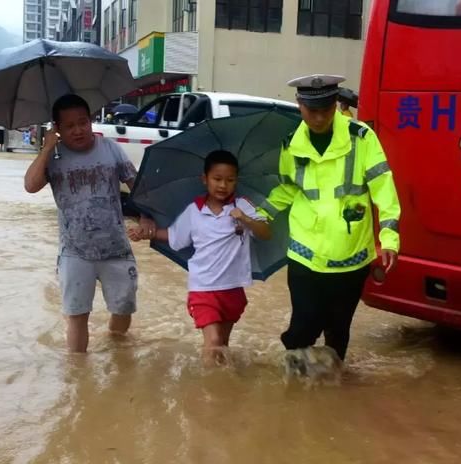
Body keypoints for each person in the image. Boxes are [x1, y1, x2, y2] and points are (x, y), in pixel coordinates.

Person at [258, 74, 401, 364]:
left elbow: (383, 189)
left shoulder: (361, 138)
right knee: (302, 327)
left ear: (337, 104)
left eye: (327, 109)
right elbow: (288, 188)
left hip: (351, 255)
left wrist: (389, 238)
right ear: (299, 105)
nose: (320, 117)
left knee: (338, 330)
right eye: (313, 110)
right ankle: (296, 385)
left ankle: (332, 389)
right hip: (305, 255)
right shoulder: (291, 145)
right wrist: (259, 215)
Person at [24, 94, 153, 353]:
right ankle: (78, 376)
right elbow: (30, 186)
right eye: (69, 126)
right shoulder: (54, 156)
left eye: (83, 122)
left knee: (123, 308)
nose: (78, 130)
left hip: (116, 248)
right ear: (57, 128)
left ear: (91, 121)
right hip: (75, 252)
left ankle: (117, 352)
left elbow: (136, 185)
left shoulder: (110, 148)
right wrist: (47, 148)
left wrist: (146, 216)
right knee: (77, 315)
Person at [128, 150, 272, 365]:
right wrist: (146, 233)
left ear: (236, 181)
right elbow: (175, 237)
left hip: (233, 289)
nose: (223, 185)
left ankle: (220, 388)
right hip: (203, 288)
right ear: (205, 180)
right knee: (213, 342)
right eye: (217, 179)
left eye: (230, 180)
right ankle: (208, 393)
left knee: (222, 345)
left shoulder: (242, 206)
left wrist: (246, 220)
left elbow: (266, 232)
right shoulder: (194, 211)